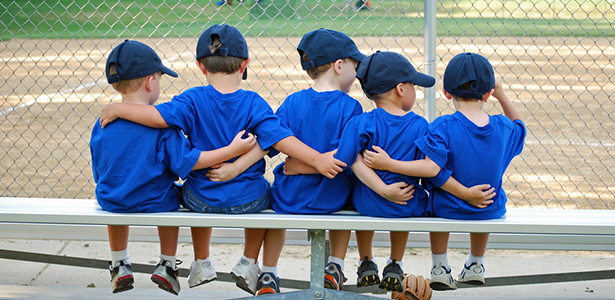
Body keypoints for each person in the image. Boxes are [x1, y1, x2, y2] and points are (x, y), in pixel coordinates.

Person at [98, 24, 347, 295]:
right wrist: (317, 159)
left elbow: (157, 117)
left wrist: (119, 108)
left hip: (199, 201)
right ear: (245, 65)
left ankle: (202, 261)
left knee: (192, 185)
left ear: (200, 66)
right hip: (247, 201)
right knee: (267, 191)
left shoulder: (191, 99)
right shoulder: (253, 102)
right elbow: (278, 138)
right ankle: (248, 262)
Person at [90, 40, 256, 295]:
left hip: (112, 200)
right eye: (158, 79)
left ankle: (119, 263)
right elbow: (189, 163)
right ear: (149, 83)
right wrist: (232, 152)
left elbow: (101, 171)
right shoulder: (163, 129)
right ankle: (167, 263)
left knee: (115, 193)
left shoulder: (102, 123)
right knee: (173, 194)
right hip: (155, 201)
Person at [415, 52, 526, 291]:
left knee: (434, 204)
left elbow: (434, 172)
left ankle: (440, 267)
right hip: (489, 209)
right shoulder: (503, 127)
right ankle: (476, 263)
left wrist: (464, 193)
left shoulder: (441, 126)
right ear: (488, 94)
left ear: (446, 93)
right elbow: (520, 127)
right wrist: (503, 96)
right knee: (487, 198)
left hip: (447, 208)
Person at [331, 51, 440, 292]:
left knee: (356, 197)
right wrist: (392, 178)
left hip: (367, 202)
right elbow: (429, 167)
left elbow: (346, 159)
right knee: (408, 201)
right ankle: (395, 263)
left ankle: (366, 261)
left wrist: (381, 187)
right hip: (405, 202)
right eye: (413, 85)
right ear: (401, 89)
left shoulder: (362, 122)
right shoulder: (420, 124)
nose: (414, 90)